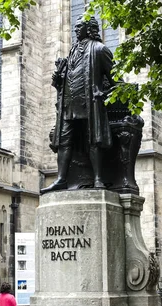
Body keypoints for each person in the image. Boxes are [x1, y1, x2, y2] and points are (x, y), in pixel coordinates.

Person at [42, 14, 115, 194]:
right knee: (64, 141)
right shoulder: (72, 51)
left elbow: (115, 80)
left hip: (89, 103)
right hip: (69, 105)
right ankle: (61, 179)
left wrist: (103, 93)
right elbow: (65, 80)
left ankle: (98, 178)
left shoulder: (100, 49)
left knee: (93, 139)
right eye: (74, 26)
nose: (75, 29)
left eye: (79, 26)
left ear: (89, 28)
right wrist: (58, 78)